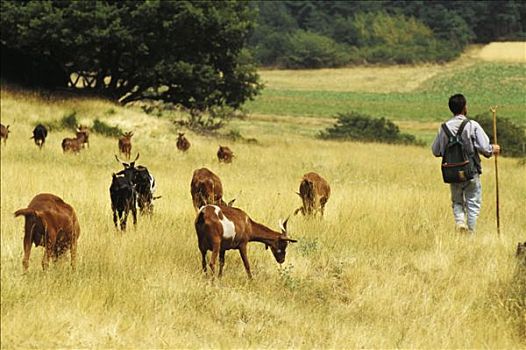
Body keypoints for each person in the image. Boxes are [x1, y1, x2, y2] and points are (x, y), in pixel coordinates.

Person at [432, 94, 500, 233]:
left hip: (451, 172)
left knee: (457, 202)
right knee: (473, 203)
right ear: (464, 107)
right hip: (470, 171)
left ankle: (460, 223)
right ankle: (471, 234)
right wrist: (494, 148)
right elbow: (486, 150)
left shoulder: (443, 128)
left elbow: (436, 151)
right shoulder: (472, 125)